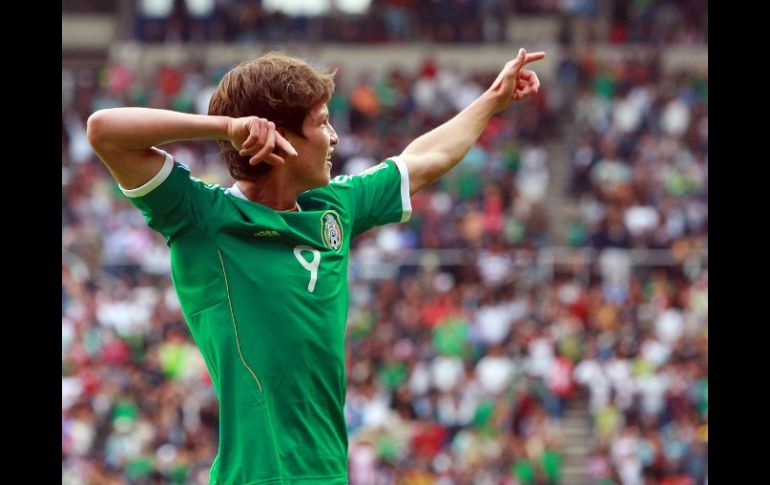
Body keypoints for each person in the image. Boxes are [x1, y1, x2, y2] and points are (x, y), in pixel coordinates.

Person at [87, 49, 544, 484]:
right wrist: (227, 127)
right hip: (258, 476)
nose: (335, 137)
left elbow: (425, 159)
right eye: (322, 123)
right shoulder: (203, 219)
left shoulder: (334, 207)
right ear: (281, 135)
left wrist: (491, 100)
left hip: (329, 472)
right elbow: (104, 129)